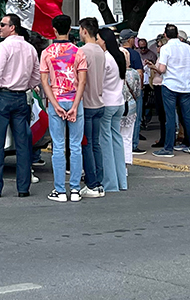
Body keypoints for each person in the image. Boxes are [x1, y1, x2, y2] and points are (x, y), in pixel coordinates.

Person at [0, 13, 40, 198]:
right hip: (20, 96)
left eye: (2, 24)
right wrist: (29, 85)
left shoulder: (4, 47)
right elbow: (36, 75)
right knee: (23, 144)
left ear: (12, 27)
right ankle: (23, 188)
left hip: (2, 95)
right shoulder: (30, 48)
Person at [39, 14, 87, 202]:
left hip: (56, 100)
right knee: (75, 146)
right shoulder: (78, 52)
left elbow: (45, 81)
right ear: (69, 29)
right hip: (75, 99)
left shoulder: (47, 53)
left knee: (58, 147)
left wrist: (55, 104)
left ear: (54, 29)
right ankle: (74, 189)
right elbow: (82, 81)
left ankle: (60, 190)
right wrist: (75, 105)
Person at [150, 23, 190, 158]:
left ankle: (168, 148)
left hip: (170, 86)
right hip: (185, 86)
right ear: (177, 34)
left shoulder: (166, 48)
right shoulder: (188, 48)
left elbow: (162, 69)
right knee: (188, 117)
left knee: (170, 117)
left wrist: (154, 68)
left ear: (165, 35)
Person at [78, 18, 106, 198]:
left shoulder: (82, 52)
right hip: (99, 102)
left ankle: (91, 183)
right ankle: (99, 181)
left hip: (87, 103)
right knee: (96, 144)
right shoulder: (101, 51)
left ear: (84, 30)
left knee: (86, 146)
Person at [98, 27, 127, 192]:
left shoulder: (105, 59)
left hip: (107, 103)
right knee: (117, 141)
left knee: (106, 143)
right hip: (119, 103)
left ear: (103, 40)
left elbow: (99, 83)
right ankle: (121, 181)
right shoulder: (119, 56)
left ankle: (110, 183)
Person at [119, 30, 146, 152]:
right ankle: (133, 144)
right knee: (135, 118)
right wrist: (139, 90)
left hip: (118, 91)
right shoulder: (134, 54)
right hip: (132, 92)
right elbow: (140, 74)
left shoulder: (115, 53)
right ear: (130, 40)